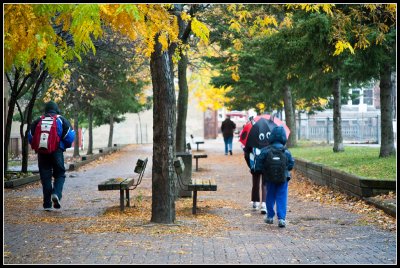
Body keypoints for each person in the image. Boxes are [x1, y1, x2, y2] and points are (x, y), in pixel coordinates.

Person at [28, 101, 75, 211]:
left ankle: (47, 204)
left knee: (45, 177)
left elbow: (30, 136)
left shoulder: (38, 120)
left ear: (46, 110)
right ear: (56, 109)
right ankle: (56, 194)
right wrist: (61, 146)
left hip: (42, 152)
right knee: (60, 174)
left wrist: (38, 147)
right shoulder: (61, 119)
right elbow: (70, 136)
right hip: (57, 151)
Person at [256, 126, 294, 227]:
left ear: (271, 136)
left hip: (270, 178)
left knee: (270, 196)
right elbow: (291, 164)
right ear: (283, 137)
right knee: (282, 197)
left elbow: (259, 162)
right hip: (283, 178)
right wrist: (286, 169)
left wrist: (263, 171)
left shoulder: (266, 150)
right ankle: (281, 219)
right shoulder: (286, 151)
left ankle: (270, 216)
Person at [243, 145, 267, 214]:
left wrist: (250, 165)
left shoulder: (252, 139)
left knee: (255, 183)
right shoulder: (268, 137)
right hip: (265, 164)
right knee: (265, 184)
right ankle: (264, 204)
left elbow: (246, 154)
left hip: (255, 165)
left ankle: (255, 202)